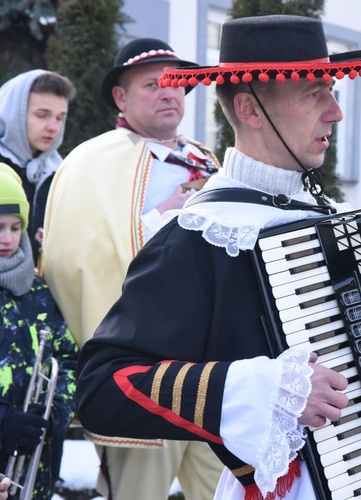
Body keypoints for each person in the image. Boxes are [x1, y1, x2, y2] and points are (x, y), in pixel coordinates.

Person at [74, 15, 361, 500]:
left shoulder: (340, 224)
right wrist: (268, 389)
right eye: (315, 93)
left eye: (330, 90)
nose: (335, 112)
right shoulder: (199, 237)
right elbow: (103, 387)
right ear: (250, 108)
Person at [41, 38, 223, 500]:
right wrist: (164, 217)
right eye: (152, 84)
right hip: (144, 371)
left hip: (213, 370)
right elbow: (76, 259)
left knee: (227, 489)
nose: (169, 92)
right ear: (121, 97)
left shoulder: (207, 159)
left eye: (177, 83)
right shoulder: (91, 162)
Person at [0, 163, 78, 499]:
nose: (7, 238)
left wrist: (51, 414)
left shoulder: (40, 292)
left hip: (38, 464)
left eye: (16, 227)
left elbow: (69, 359)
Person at [0, 70, 76, 263]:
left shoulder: (62, 172)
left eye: (60, 118)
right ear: (12, 113)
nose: (53, 127)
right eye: (42, 115)